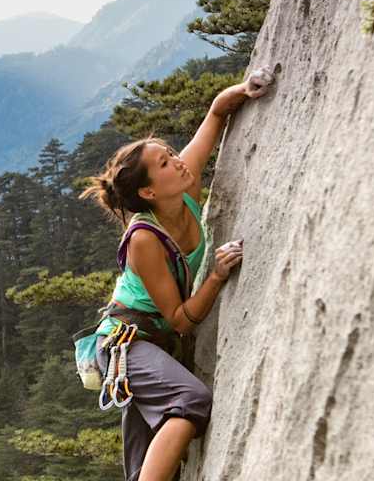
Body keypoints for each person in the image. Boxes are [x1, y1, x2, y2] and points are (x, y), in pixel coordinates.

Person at [80, 68, 273, 481]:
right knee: (190, 400)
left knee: (146, 463)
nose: (179, 161)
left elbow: (217, 114)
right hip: (126, 344)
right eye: (165, 162)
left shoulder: (182, 186)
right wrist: (217, 276)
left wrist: (245, 87)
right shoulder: (144, 238)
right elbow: (181, 318)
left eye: (171, 153)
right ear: (149, 192)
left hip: (154, 346)